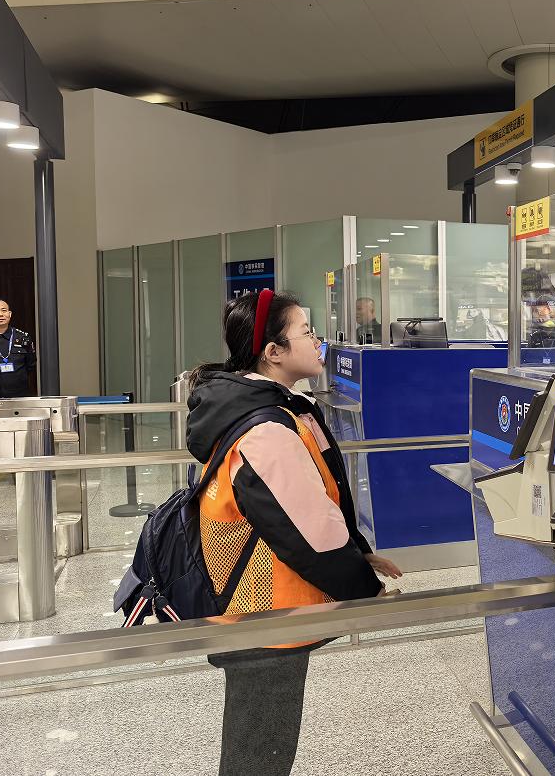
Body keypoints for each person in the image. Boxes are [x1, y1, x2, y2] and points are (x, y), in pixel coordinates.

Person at [187, 289, 402, 776]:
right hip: (264, 614)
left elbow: (315, 503)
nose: (318, 341)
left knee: (261, 739)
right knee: (260, 750)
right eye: (306, 332)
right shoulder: (266, 428)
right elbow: (308, 535)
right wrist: (365, 592)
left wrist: (359, 552)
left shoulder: (274, 408)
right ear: (273, 351)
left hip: (260, 606)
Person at [0, 299, 36, 398]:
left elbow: (30, 365)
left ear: (10, 314)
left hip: (19, 397)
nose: (0, 314)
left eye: (4, 310)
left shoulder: (23, 337)